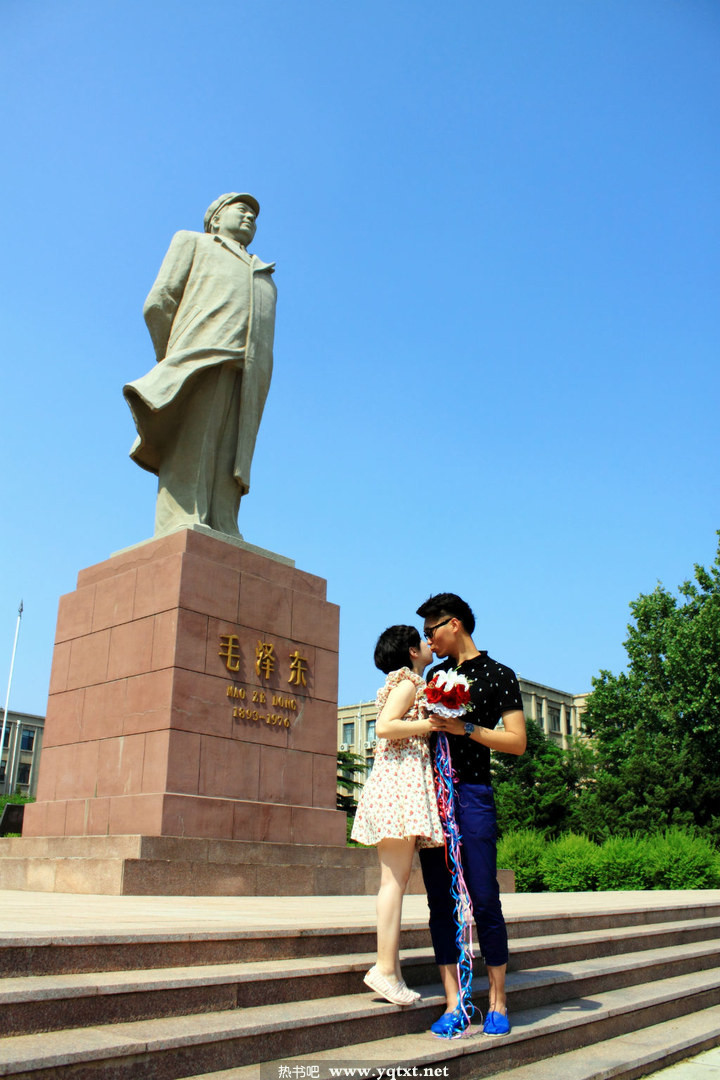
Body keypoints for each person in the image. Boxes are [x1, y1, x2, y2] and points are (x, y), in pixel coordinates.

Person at [123, 193, 276, 538]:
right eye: (242, 210)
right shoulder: (193, 241)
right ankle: (179, 519)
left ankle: (224, 523)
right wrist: (173, 356)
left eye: (255, 216)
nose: (250, 218)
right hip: (198, 357)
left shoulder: (262, 272)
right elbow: (159, 302)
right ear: (216, 219)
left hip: (247, 372)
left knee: (231, 456)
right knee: (191, 444)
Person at [416, 592, 526, 1039]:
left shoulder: (500, 675)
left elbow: (516, 741)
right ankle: (454, 1002)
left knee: (483, 896)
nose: (429, 640)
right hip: (434, 798)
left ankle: (497, 1001)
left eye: (432, 631)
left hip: (474, 794)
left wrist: (467, 729)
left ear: (454, 624)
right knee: (440, 900)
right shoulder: (433, 675)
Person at [351, 625, 444, 1006]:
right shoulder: (407, 683)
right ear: (411, 651)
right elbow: (386, 727)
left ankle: (391, 970)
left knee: (396, 880)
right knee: (393, 881)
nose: (428, 644)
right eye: (422, 640)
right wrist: (432, 724)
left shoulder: (409, 683)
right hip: (398, 787)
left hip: (399, 785)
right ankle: (385, 970)